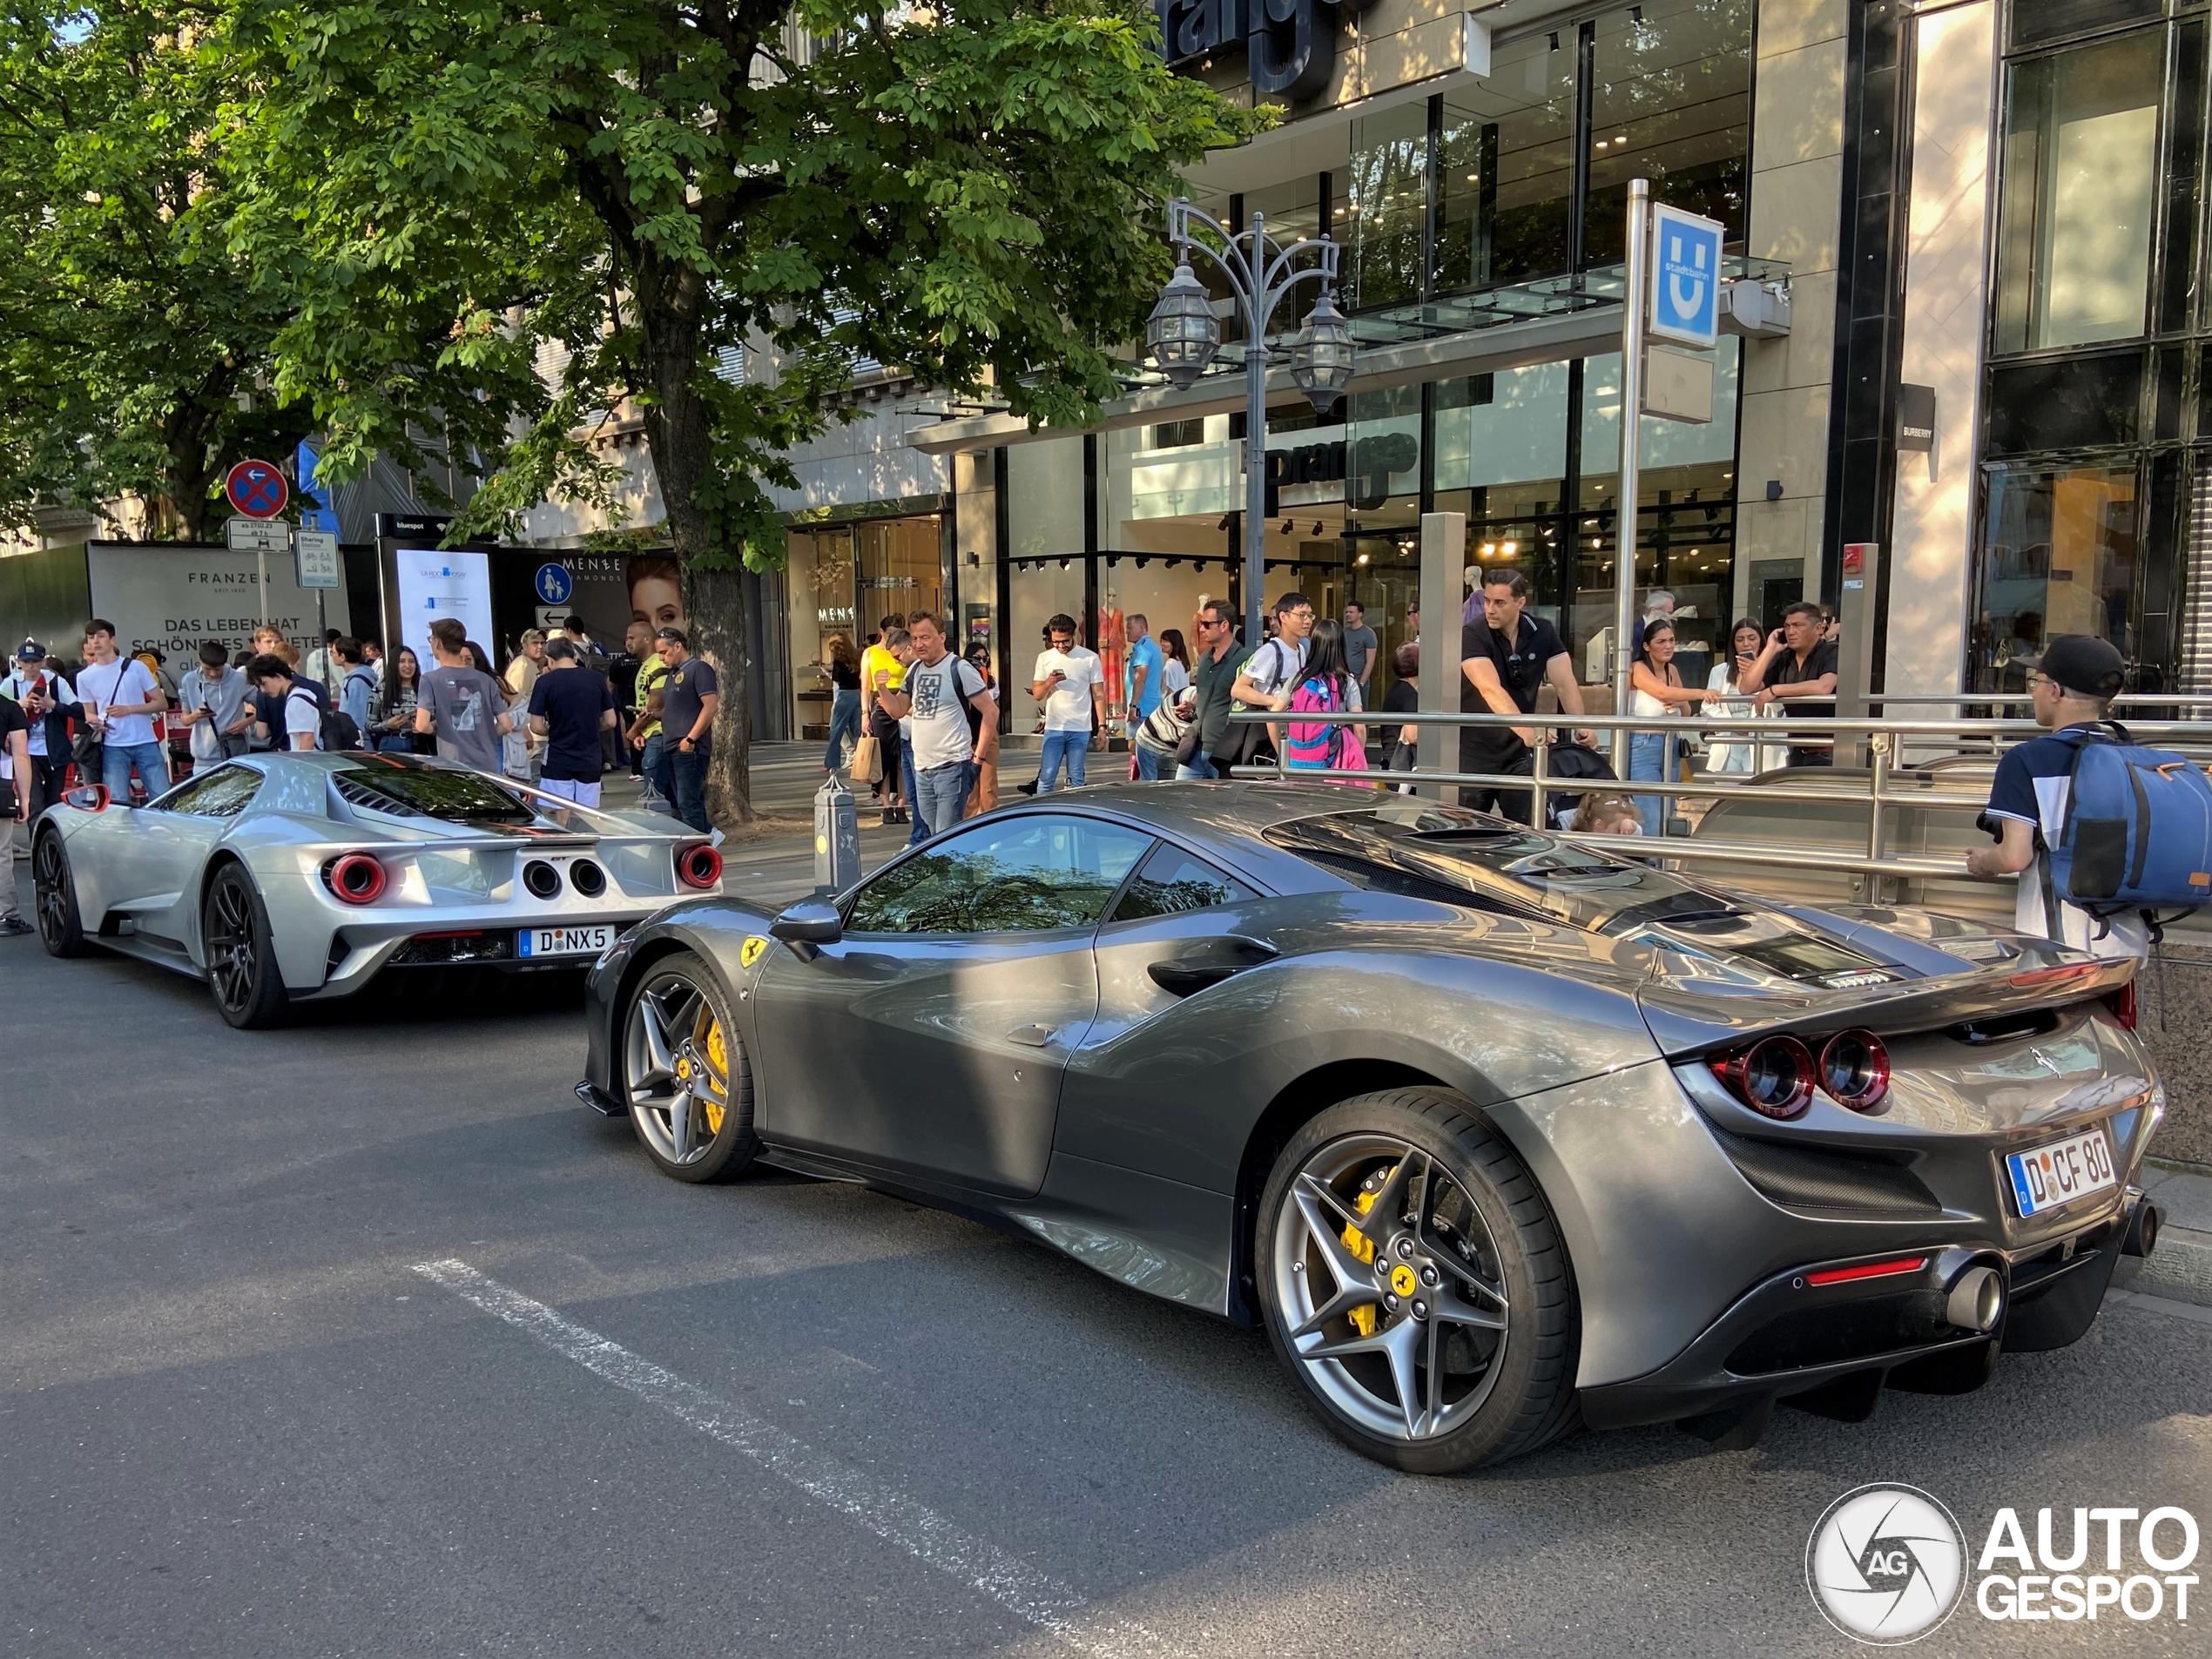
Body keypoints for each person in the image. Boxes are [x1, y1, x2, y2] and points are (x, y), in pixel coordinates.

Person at [1967, 633, 2149, 960]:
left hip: (2058, 942)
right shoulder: (2130, 758)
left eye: (2035, 681)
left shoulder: (2026, 760)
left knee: (2071, 1014)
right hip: (2128, 941)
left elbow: (2014, 857)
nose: (2033, 691)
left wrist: (1983, 862)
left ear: (2055, 692)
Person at [1458, 569, 1591, 825]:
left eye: (1499, 602)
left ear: (1520, 602)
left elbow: (1565, 682)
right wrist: (1527, 729)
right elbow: (1489, 688)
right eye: (1487, 601)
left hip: (1518, 755)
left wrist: (1581, 725)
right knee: (1466, 835)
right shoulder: (1473, 633)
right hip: (1472, 752)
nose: (1490, 609)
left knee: (1529, 829)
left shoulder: (1542, 631)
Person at [876, 612, 995, 838]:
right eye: (914, 638)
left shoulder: (959, 668)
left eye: (925, 637)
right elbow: (897, 710)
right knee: (934, 837)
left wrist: (978, 759)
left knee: (945, 838)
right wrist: (882, 688)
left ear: (942, 637)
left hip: (952, 765)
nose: (919, 644)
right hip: (922, 768)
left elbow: (991, 711)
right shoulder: (915, 670)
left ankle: (960, 873)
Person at [1626, 618, 1710, 835]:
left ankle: (1662, 861)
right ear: (1646, 646)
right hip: (1643, 746)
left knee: (1668, 812)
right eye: (1661, 641)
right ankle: (1652, 863)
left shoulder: (1672, 669)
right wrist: (1700, 693)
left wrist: (1678, 700)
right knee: (1653, 816)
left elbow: (1686, 711)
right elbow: (1662, 692)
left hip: (1670, 744)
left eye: (1672, 640)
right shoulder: (1638, 668)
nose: (1668, 646)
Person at [78, 618, 169, 801]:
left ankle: (162, 829)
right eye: (91, 637)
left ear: (113, 640)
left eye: (100, 636)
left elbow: (161, 703)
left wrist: (129, 709)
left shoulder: (136, 668)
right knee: (118, 800)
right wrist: (95, 722)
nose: (95, 641)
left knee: (162, 797)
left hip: (145, 741)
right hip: (113, 744)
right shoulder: (84, 677)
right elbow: (89, 713)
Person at [1739, 601, 1839, 766]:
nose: (1791, 632)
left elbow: (1823, 687)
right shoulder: (1784, 657)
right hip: (1796, 751)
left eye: (1798, 625)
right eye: (1787, 626)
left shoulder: (1832, 651)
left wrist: (1776, 690)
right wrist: (1770, 648)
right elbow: (1746, 687)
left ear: (1819, 628)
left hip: (1829, 752)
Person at [527, 637, 618, 807]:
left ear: (550, 659)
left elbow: (536, 726)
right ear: (574, 656)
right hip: (590, 758)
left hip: (558, 757)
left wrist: (553, 729)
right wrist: (590, 726)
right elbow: (611, 721)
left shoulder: (545, 682)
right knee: (587, 814)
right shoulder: (596, 679)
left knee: (561, 813)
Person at [413, 617, 511, 772]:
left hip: (453, 765)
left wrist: (438, 727)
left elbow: (421, 725)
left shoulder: (430, 679)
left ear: (438, 642)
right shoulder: (486, 680)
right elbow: (506, 725)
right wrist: (483, 733)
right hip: (487, 764)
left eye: (431, 639)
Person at [1228, 591, 1317, 759]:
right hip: (1269, 738)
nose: (1308, 621)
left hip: (1290, 733)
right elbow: (1238, 689)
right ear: (1283, 616)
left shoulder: (1301, 650)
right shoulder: (1271, 651)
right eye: (1302, 615)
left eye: (1310, 615)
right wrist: (1277, 702)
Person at [3, 641, 78, 822]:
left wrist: (52, 704)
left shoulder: (55, 682)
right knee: (34, 804)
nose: (31, 666)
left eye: (35, 661)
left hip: (54, 750)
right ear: (19, 662)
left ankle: (51, 844)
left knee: (55, 805)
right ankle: (36, 847)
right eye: (26, 661)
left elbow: (78, 710)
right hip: (26, 752)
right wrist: (17, 706)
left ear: (43, 661)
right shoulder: (10, 683)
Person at [656, 627, 719, 833]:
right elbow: (675, 710)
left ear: (678, 646)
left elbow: (710, 706)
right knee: (682, 802)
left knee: (688, 802)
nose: (661, 658)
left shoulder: (699, 669)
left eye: (664, 652)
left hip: (689, 747)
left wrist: (691, 739)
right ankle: (706, 839)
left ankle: (697, 849)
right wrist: (651, 715)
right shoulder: (673, 675)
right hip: (672, 746)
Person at [1031, 613, 1103, 794]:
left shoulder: (1090, 658)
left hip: (1080, 727)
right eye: (1055, 641)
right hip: (1054, 726)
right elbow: (1038, 695)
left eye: (1065, 641)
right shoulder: (1044, 658)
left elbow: (1099, 694)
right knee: (1046, 778)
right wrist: (1049, 682)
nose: (1060, 646)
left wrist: (1102, 727)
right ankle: (1041, 819)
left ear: (1074, 636)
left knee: (1076, 778)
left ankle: (1074, 820)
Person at [1283, 618, 1366, 772]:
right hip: (1334, 756)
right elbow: (1359, 727)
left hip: (1297, 758)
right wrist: (1358, 758)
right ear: (1341, 646)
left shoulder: (1299, 678)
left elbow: (1275, 713)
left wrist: (1282, 754)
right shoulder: (1346, 680)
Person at [1703, 618, 1774, 777]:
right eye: (1740, 639)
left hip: (1760, 742)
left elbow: (1779, 707)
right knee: (1727, 795)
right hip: (1729, 741)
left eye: (1752, 638)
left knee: (1757, 791)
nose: (1746, 644)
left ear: (1761, 642)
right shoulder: (1720, 671)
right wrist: (1733, 725)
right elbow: (1707, 707)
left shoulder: (1771, 670)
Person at [1179, 599, 1241, 780]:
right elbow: (1203, 693)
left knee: (1222, 805)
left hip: (1223, 750)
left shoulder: (1245, 658)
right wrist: (1191, 706)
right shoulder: (1206, 658)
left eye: (1206, 624)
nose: (1201, 629)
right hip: (1195, 745)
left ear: (1224, 625)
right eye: (1201, 624)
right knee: (1179, 800)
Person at [860, 616, 909, 822]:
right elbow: (864, 686)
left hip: (904, 702)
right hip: (880, 704)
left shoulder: (905, 653)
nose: (893, 638)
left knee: (902, 757)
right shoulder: (870, 653)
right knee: (884, 757)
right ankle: (886, 805)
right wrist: (865, 714)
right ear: (882, 632)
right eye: (890, 634)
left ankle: (901, 805)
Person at [178, 640, 255, 764]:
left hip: (234, 752)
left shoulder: (239, 679)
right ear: (199, 660)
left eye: (218, 669)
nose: (213, 674)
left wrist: (245, 723)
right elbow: (185, 720)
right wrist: (195, 715)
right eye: (208, 669)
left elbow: (264, 709)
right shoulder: (189, 680)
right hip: (203, 756)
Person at [0, 688, 31, 930]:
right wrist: (25, 798)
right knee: (1, 855)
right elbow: (21, 756)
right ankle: (6, 915)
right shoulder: (9, 707)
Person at [246, 653, 321, 752]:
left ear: (278, 677)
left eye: (264, 683)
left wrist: (297, 764)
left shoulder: (296, 701)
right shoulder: (301, 695)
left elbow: (307, 739)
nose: (263, 690)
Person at [961, 641, 1001, 815]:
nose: (982, 662)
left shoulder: (991, 681)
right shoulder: (960, 677)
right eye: (977, 658)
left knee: (988, 784)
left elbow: (993, 708)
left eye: (985, 659)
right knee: (969, 787)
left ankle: (989, 821)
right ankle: (968, 824)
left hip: (988, 734)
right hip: (967, 736)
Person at [822, 634, 863, 773]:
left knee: (836, 728)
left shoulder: (839, 661)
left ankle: (832, 762)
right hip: (858, 693)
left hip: (845, 694)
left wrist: (827, 671)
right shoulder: (858, 656)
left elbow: (837, 678)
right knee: (857, 728)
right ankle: (861, 757)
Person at [1380, 639, 1420, 779]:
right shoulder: (1410, 695)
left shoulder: (1396, 689)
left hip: (1390, 761)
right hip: (1402, 766)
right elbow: (1413, 735)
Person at [374, 646, 423, 752]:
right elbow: (369, 724)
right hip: (392, 743)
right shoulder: (381, 689)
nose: (408, 666)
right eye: (402, 661)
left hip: (421, 743)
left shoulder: (424, 688)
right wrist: (387, 725)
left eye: (411, 661)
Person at [332, 637, 377, 744]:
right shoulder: (357, 677)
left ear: (342, 657)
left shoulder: (356, 681)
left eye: (333, 653)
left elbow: (358, 716)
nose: (332, 656)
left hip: (360, 741)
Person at [1124, 612, 1163, 730]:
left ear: (1142, 628)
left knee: (1134, 744)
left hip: (1142, 707)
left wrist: (1134, 705)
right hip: (1151, 705)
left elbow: (1140, 678)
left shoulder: (1142, 649)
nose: (1127, 632)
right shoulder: (1153, 647)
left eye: (1130, 628)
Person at [1341, 601, 1378, 696]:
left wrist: (1362, 683)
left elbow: (1370, 661)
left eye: (1351, 612)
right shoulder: (1343, 632)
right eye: (1347, 612)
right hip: (1343, 679)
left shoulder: (1368, 634)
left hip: (1359, 681)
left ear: (1360, 614)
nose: (1348, 614)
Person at [1569, 792, 1642, 836]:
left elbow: (1637, 833)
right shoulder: (1578, 845)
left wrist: (1632, 825)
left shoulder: (1621, 844)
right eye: (1619, 829)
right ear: (1599, 824)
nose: (1625, 834)